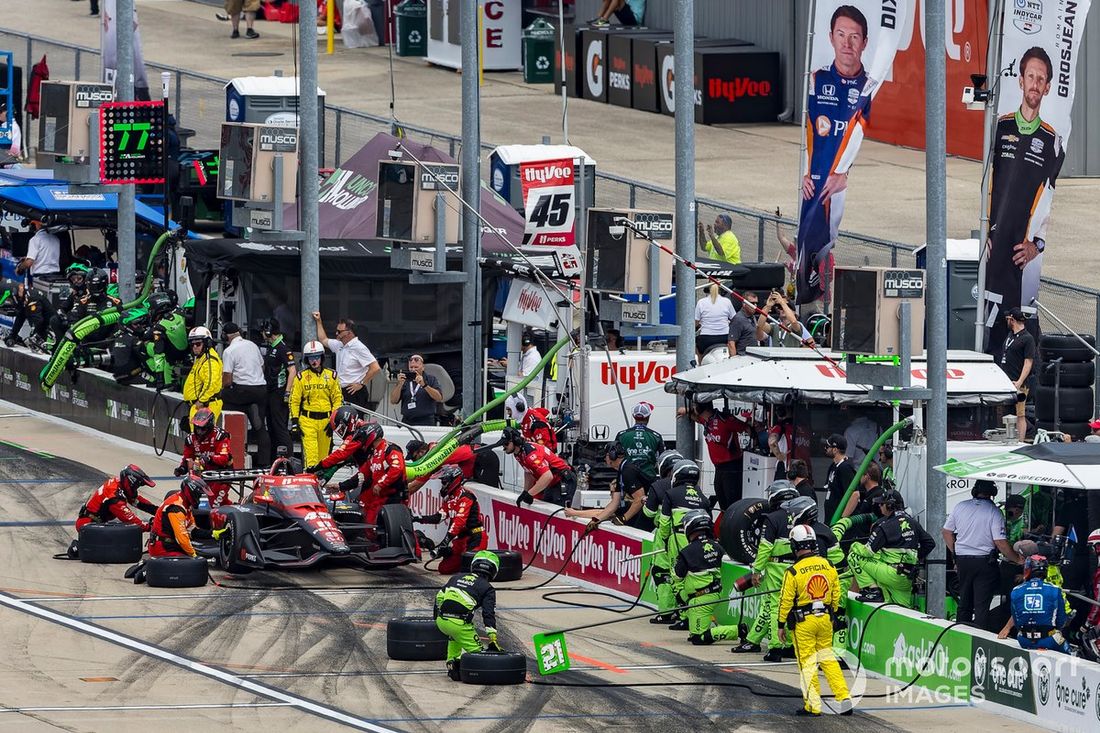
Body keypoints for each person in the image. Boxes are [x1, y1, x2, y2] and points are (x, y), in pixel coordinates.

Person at [984, 47, 1064, 358]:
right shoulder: (1000, 128)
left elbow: (1048, 201)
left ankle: (1019, 399)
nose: (1034, 83)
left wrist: (1037, 245)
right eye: (1030, 76)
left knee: (1018, 338)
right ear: (1020, 81)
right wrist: (982, 236)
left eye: (1040, 79)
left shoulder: (1052, 142)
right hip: (991, 249)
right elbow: (985, 188)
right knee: (983, 329)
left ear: (1046, 87)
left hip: (1022, 257)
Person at [797, 4, 871, 305]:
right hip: (814, 181)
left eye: (854, 37)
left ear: (864, 42)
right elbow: (808, 130)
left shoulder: (870, 85)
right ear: (830, 37)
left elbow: (859, 132)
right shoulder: (816, 79)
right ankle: (807, 288)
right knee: (810, 241)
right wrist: (804, 170)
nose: (847, 43)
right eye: (841, 34)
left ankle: (818, 291)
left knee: (827, 237)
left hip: (837, 183)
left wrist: (845, 172)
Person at [777, 524, 852, 717]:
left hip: (804, 622)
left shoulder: (792, 571)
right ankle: (844, 699)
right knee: (828, 660)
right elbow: (836, 593)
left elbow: (785, 600)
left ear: (795, 546)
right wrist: (832, 612)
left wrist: (780, 624)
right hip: (826, 618)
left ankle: (813, 706)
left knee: (808, 663)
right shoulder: (828, 565)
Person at [942, 480, 1021, 630]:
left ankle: (959, 632)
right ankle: (980, 640)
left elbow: (946, 532)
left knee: (964, 601)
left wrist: (956, 554)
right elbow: (1000, 542)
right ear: (993, 493)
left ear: (974, 490)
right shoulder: (994, 512)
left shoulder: (960, 506)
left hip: (963, 560)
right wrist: (1017, 559)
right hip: (984, 562)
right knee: (981, 605)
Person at [735, 480, 800, 659]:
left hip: (776, 568)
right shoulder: (800, 515)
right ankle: (753, 640)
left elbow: (765, 548)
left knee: (774, 608)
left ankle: (775, 647)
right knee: (789, 607)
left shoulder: (772, 518)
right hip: (798, 567)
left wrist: (756, 570)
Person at [311, 414, 407, 525]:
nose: (361, 442)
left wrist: (380, 484)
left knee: (391, 529)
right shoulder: (372, 455)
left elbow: (397, 469)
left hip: (394, 498)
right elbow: (362, 475)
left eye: (362, 438)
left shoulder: (390, 449)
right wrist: (340, 486)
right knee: (367, 523)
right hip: (379, 497)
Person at [848, 489, 936, 608]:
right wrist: (915, 559)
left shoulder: (884, 526)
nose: (879, 505)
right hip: (908, 577)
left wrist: (854, 545)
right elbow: (930, 543)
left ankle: (873, 591)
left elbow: (867, 552)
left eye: (882, 503)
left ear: (889, 505)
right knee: (903, 611)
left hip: (891, 574)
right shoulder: (912, 522)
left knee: (854, 556)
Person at [672, 509, 740, 645]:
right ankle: (707, 627)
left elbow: (677, 575)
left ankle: (738, 630)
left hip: (701, 598)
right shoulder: (718, 547)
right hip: (713, 593)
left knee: (699, 638)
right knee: (694, 633)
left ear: (689, 528)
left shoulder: (687, 552)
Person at [660, 460, 711, 631]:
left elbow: (664, 523)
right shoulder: (702, 497)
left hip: (678, 539)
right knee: (694, 579)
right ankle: (693, 615)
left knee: (678, 578)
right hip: (700, 543)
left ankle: (684, 616)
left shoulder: (670, 494)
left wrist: (665, 540)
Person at [435, 550, 501, 681]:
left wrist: (440, 617)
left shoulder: (456, 577)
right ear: (494, 571)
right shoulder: (488, 588)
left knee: (454, 636)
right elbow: (488, 613)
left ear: (473, 565)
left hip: (441, 621)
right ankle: (469, 669)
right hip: (459, 624)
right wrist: (492, 637)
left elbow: (439, 597)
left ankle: (452, 661)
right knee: (479, 653)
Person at [415, 465, 487, 574]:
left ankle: (482, 562)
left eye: (444, 482)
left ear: (453, 481)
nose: (442, 486)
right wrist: (417, 518)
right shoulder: (449, 499)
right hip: (460, 540)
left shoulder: (466, 496)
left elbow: (459, 522)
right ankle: (461, 560)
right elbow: (439, 517)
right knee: (444, 569)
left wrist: (446, 541)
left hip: (475, 537)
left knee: (468, 569)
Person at [565, 443, 651, 530]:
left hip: (649, 511)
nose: (604, 459)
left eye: (605, 456)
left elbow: (640, 498)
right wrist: (596, 520)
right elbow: (614, 503)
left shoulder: (628, 471)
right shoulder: (622, 471)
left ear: (612, 456)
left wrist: (624, 518)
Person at [681, 401, 750, 510]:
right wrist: (688, 410)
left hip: (731, 466)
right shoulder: (706, 420)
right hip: (719, 467)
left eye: (695, 406)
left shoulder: (725, 419)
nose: (694, 408)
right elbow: (689, 414)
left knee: (731, 502)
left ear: (704, 408)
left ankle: (732, 524)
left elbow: (747, 428)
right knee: (721, 498)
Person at [997, 555, 1072, 654]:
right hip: (1048, 639)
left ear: (1028, 569)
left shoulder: (1016, 590)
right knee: (1070, 653)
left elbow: (1016, 619)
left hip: (1023, 640)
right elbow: (1061, 619)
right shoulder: (1055, 589)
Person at [220, 323, 270, 467]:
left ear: (226, 336)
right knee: (260, 427)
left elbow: (227, 380)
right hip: (260, 389)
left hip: (242, 391)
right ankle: (264, 465)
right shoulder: (253, 345)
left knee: (223, 398)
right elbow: (262, 366)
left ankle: (229, 454)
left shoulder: (229, 351)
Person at [289, 340, 343, 468]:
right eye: (311, 358)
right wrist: (295, 422)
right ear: (307, 359)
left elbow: (338, 399)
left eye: (317, 357)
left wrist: (334, 422)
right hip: (307, 421)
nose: (314, 361)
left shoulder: (332, 376)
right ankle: (310, 484)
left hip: (326, 421)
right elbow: (294, 400)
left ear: (322, 357)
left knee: (324, 459)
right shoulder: (301, 377)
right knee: (312, 458)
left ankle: (320, 485)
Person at [643, 449, 683, 623]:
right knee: (681, 573)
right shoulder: (691, 488)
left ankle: (666, 613)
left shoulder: (658, 486)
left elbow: (649, 513)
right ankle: (683, 613)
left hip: (664, 535)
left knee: (662, 572)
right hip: (685, 536)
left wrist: (647, 502)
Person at [73, 465, 158, 543]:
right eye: (136, 486)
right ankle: (79, 547)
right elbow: (130, 520)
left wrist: (157, 511)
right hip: (88, 526)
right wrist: (151, 527)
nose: (136, 489)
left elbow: (135, 500)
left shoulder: (118, 483)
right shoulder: (114, 497)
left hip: (96, 523)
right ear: (130, 482)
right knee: (125, 539)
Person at [312, 312, 380, 409]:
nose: (336, 333)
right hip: (340, 390)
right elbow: (323, 339)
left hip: (353, 391)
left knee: (353, 421)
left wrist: (361, 383)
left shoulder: (359, 347)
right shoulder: (340, 344)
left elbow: (375, 367)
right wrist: (319, 321)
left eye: (339, 332)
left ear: (349, 333)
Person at [145, 475, 213, 563]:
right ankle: (147, 568)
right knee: (192, 566)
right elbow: (182, 538)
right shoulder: (176, 508)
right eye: (199, 496)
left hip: (171, 545)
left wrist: (212, 534)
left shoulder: (185, 505)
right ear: (192, 493)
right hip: (163, 549)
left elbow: (191, 530)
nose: (199, 499)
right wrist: (194, 556)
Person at [174, 407, 234, 506]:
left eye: (202, 428)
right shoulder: (190, 439)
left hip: (222, 474)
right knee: (189, 497)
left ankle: (234, 515)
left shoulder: (221, 436)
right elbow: (187, 458)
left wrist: (210, 459)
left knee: (214, 503)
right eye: (197, 427)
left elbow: (224, 459)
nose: (199, 431)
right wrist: (181, 468)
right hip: (203, 474)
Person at [503, 427, 576, 507]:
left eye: (506, 444)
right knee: (545, 509)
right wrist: (525, 492)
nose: (504, 447)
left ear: (516, 442)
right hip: (552, 482)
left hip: (563, 480)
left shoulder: (530, 453)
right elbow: (528, 472)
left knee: (557, 512)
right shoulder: (519, 454)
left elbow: (547, 476)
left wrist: (530, 494)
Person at [258, 319, 297, 459]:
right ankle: (275, 460)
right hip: (270, 392)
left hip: (279, 393)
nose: (262, 334)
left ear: (269, 332)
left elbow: (292, 371)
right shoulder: (272, 347)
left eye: (263, 331)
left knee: (280, 428)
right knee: (272, 428)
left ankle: (290, 460)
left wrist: (287, 392)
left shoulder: (282, 348)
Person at [999, 307, 1036, 439]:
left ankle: (1020, 440)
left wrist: (1020, 381)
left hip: (1017, 382)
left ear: (1012, 319)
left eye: (1008, 319)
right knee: (1004, 412)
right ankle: (1006, 437)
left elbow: (1028, 362)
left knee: (1020, 414)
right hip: (1005, 381)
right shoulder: (1010, 335)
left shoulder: (1027, 338)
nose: (1007, 322)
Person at [615, 402, 666, 482]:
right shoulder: (656, 436)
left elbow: (615, 458)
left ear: (633, 416)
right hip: (648, 477)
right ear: (648, 416)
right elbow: (662, 460)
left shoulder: (621, 435)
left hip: (628, 477)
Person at [183, 326, 223, 425]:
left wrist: (201, 401)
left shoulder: (210, 360)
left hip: (207, 406)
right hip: (199, 406)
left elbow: (211, 383)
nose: (195, 347)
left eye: (198, 344)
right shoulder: (202, 358)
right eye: (192, 344)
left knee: (203, 438)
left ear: (207, 343)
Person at [389, 354, 443, 426]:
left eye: (416, 367)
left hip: (426, 421)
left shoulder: (431, 379)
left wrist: (425, 385)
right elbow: (393, 400)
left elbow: (439, 398)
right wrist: (399, 384)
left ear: (423, 367)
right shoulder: (405, 380)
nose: (413, 369)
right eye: (411, 367)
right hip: (407, 420)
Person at [1, 281, 55, 349]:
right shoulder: (23, 298)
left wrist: (32, 338)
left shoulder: (31, 298)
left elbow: (38, 321)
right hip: (41, 327)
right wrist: (12, 336)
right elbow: (20, 318)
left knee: (35, 342)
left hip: (49, 330)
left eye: (10, 300)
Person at [694, 284, 736, 360]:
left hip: (706, 338)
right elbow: (734, 319)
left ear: (706, 291)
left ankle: (700, 363)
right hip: (725, 336)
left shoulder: (701, 302)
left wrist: (698, 326)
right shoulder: (727, 301)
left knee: (697, 348)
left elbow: (696, 322)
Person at [822, 434, 857, 522]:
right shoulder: (833, 466)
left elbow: (854, 495)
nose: (825, 449)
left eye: (827, 446)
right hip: (830, 517)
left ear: (835, 450)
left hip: (837, 520)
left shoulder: (845, 468)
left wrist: (843, 518)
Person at [728, 290, 760, 355]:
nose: (755, 306)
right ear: (744, 304)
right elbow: (731, 343)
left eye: (756, 303)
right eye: (752, 303)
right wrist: (733, 361)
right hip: (743, 357)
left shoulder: (753, 317)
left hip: (754, 356)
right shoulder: (738, 319)